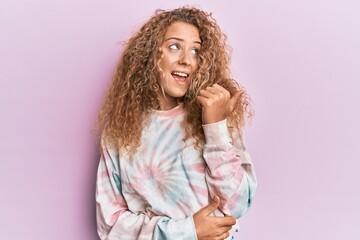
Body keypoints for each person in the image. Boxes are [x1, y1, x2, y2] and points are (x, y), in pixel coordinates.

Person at [95, 7, 257, 240]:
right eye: (175, 46)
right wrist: (188, 231)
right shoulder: (119, 130)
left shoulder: (215, 114)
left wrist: (215, 129)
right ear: (152, 53)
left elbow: (236, 205)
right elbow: (109, 224)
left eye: (195, 51)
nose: (186, 60)